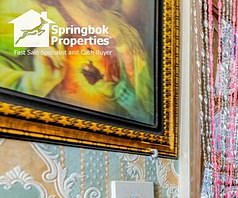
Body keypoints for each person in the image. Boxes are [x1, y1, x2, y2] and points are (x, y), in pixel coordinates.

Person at [0, 0, 154, 124]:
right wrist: (37, 82)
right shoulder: (37, 16)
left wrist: (138, 110)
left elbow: (148, 111)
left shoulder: (126, 31)